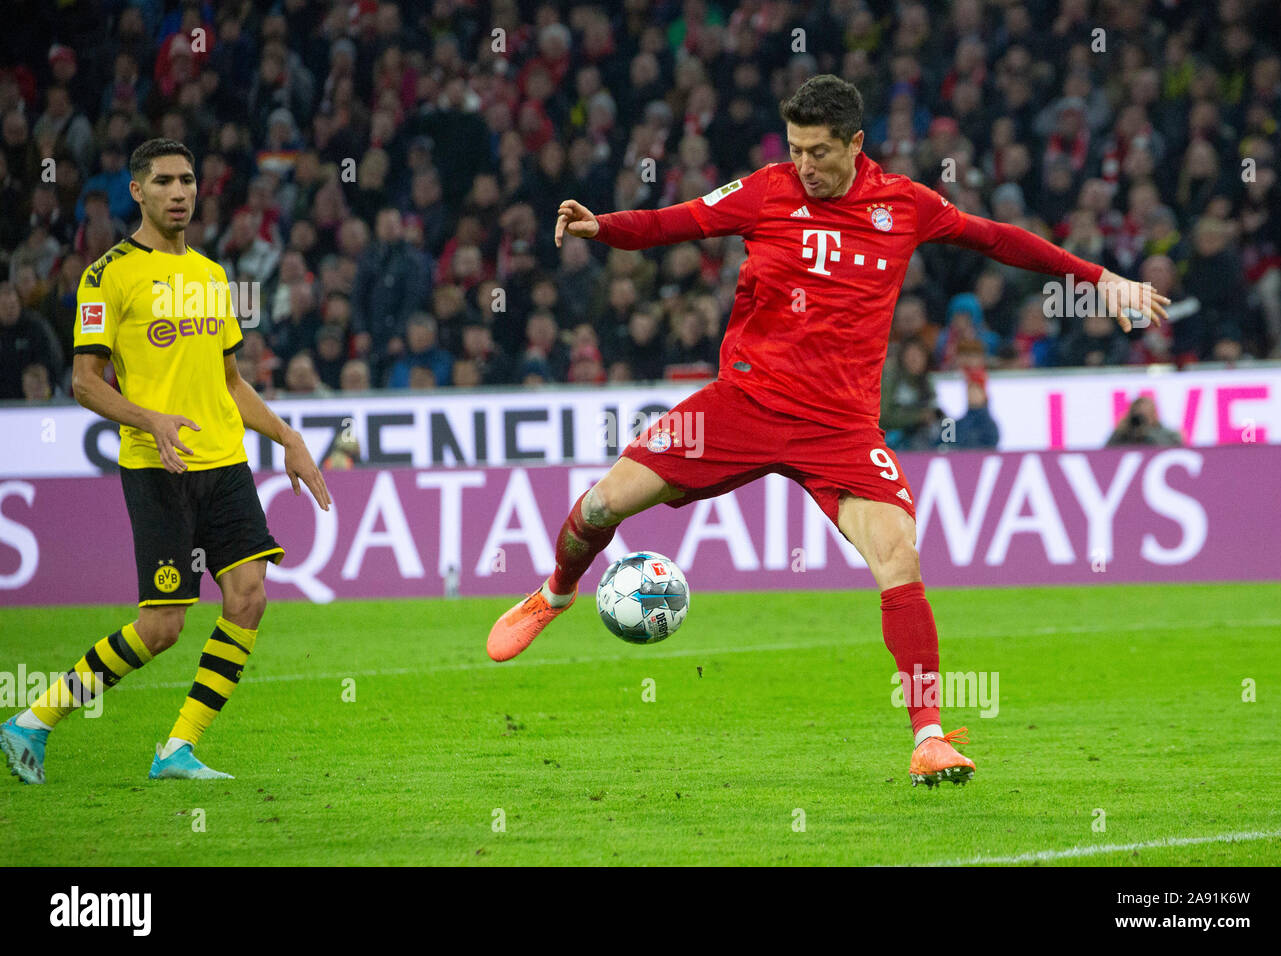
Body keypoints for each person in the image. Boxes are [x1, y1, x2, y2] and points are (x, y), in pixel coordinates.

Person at [484, 76, 1168, 788]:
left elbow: (996, 239)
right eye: (795, 149)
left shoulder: (905, 205)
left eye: (817, 150)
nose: (804, 164)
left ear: (855, 145)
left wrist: (1097, 278)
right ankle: (554, 595)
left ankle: (929, 738)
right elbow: (676, 222)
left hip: (839, 427)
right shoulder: (767, 190)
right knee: (601, 505)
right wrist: (606, 226)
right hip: (741, 404)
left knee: (899, 559)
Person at [1, 139, 332, 786]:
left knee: (249, 597)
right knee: (161, 627)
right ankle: (33, 719)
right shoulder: (108, 275)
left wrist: (287, 437)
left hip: (224, 462)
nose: (180, 191)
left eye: (188, 180)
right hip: (158, 466)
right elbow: (85, 382)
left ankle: (176, 747)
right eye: (165, 182)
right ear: (138, 191)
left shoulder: (213, 276)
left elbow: (232, 382)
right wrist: (150, 418)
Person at [1106, 396, 1182, 447]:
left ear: (1154, 414)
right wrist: (1122, 431)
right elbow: (1107, 452)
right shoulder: (1123, 433)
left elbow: (1171, 450)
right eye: (1139, 413)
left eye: (1146, 413)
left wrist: (1146, 432)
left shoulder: (1169, 435)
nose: (1142, 418)